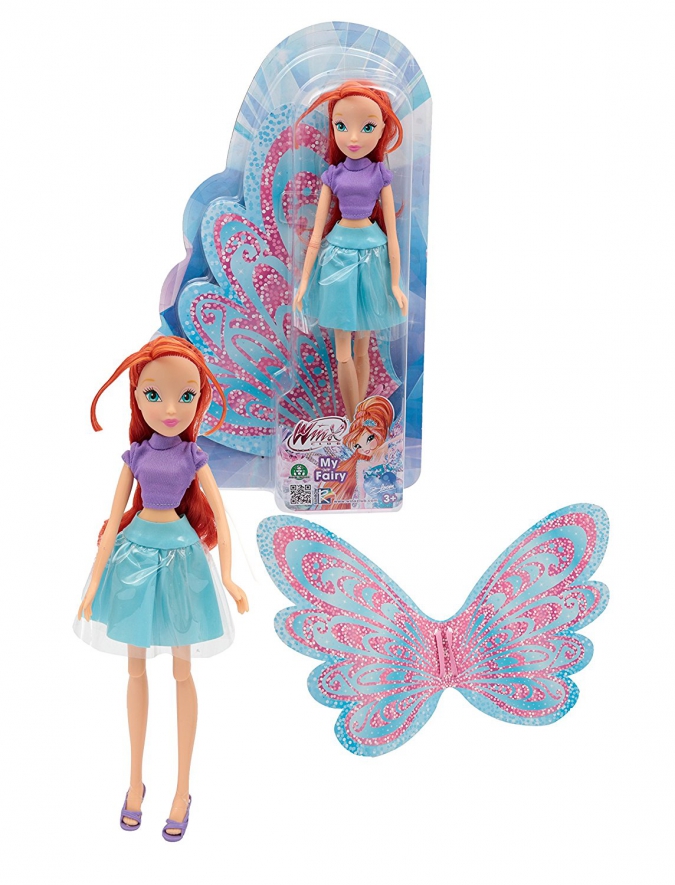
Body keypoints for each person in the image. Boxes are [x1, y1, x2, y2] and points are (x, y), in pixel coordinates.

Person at [74, 336, 248, 841]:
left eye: (186, 396)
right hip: (132, 559)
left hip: (181, 561)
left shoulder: (194, 455)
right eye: (154, 395)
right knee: (135, 670)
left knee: (181, 670)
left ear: (199, 399)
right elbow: (113, 523)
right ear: (137, 397)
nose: (171, 409)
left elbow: (220, 517)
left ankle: (182, 788)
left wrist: (229, 577)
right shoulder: (134, 455)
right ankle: (135, 782)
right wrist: (93, 582)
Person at [293, 81, 408, 418]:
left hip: (373, 257)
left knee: (362, 349)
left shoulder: (380, 175)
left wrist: (395, 284)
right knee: (344, 351)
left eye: (367, 127)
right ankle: (354, 419)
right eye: (342, 126)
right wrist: (303, 282)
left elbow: (393, 236)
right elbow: (316, 235)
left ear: (383, 129)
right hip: (338, 258)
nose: (353, 138)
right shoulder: (334, 176)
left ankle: (356, 422)